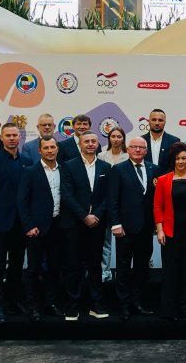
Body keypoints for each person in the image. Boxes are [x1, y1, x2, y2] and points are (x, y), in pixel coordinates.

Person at [0, 122, 32, 323]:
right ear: (1, 137)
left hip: (20, 225)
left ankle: (14, 302)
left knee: (17, 266)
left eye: (14, 135)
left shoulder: (27, 161)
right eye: (8, 135)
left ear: (20, 138)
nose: (11, 138)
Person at [61, 131, 112, 321]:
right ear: (80, 144)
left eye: (93, 141)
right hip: (75, 223)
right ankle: (72, 305)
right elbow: (67, 195)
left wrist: (96, 215)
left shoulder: (106, 167)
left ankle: (96, 303)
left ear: (98, 144)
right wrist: (84, 216)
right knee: (73, 265)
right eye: (86, 141)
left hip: (97, 224)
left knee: (95, 264)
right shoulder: (68, 166)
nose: (90, 144)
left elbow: (108, 196)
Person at [107, 136, 158, 320]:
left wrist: (157, 224)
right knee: (122, 268)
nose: (137, 150)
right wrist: (116, 224)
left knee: (141, 268)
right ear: (127, 149)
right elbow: (112, 199)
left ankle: (136, 302)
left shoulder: (154, 169)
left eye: (141, 147)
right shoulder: (118, 169)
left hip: (146, 228)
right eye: (134, 147)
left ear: (146, 151)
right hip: (125, 228)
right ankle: (124, 305)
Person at [154, 142, 186, 321]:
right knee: (171, 271)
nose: (181, 161)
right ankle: (170, 310)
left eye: (184, 158)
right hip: (170, 232)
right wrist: (160, 230)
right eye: (178, 158)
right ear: (173, 160)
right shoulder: (163, 180)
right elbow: (157, 206)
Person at [16, 136, 65, 321]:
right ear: (39, 150)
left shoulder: (64, 170)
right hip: (36, 228)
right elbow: (22, 201)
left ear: (57, 149)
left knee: (54, 268)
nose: (50, 150)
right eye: (46, 148)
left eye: (52, 147)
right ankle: (33, 306)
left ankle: (51, 303)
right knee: (33, 269)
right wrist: (29, 226)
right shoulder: (30, 171)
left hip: (58, 227)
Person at [99, 126, 129, 283]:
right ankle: (104, 271)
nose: (116, 139)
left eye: (119, 136)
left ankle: (122, 273)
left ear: (123, 139)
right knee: (104, 241)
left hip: (123, 203)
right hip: (104, 202)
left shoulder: (128, 156)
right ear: (109, 138)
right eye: (113, 136)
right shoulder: (101, 156)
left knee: (123, 243)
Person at [143, 109, 181, 175]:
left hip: (167, 179)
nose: (157, 123)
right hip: (146, 179)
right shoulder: (141, 141)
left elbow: (175, 164)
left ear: (165, 122)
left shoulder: (174, 141)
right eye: (154, 120)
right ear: (149, 121)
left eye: (160, 120)